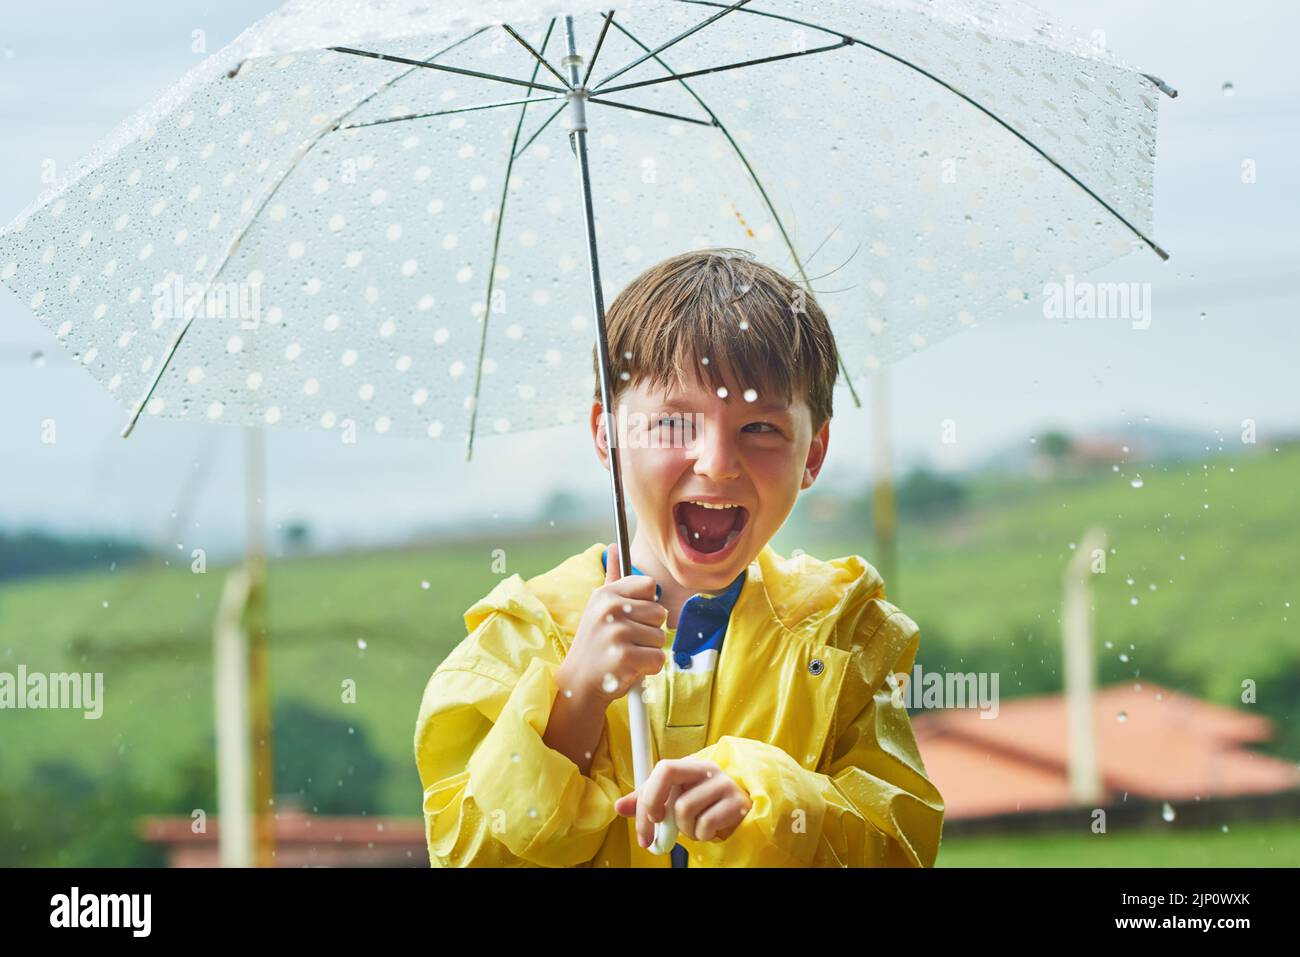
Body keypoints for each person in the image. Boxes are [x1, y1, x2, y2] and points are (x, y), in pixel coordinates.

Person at [414, 247, 944, 867]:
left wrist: (765, 797)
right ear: (607, 435)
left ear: (814, 453)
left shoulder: (844, 634)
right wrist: (576, 700)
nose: (717, 462)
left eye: (761, 428)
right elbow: (471, 853)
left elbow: (896, 845)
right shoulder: (515, 642)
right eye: (672, 425)